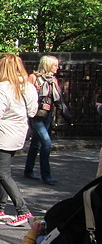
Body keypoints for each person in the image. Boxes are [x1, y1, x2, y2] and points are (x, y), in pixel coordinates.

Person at [0, 53, 38, 227]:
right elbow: (33, 111)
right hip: (19, 132)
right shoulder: (28, 86)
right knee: (3, 171)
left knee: (2, 173)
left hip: (1, 134)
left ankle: (23, 210)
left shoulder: (2, 88)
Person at [24, 55, 70, 185]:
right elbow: (26, 97)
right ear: (48, 65)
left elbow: (58, 100)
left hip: (47, 114)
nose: (57, 67)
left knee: (37, 143)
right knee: (46, 142)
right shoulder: (33, 78)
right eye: (55, 65)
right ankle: (46, 175)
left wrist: (67, 116)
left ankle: (28, 170)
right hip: (35, 115)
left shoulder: (53, 80)